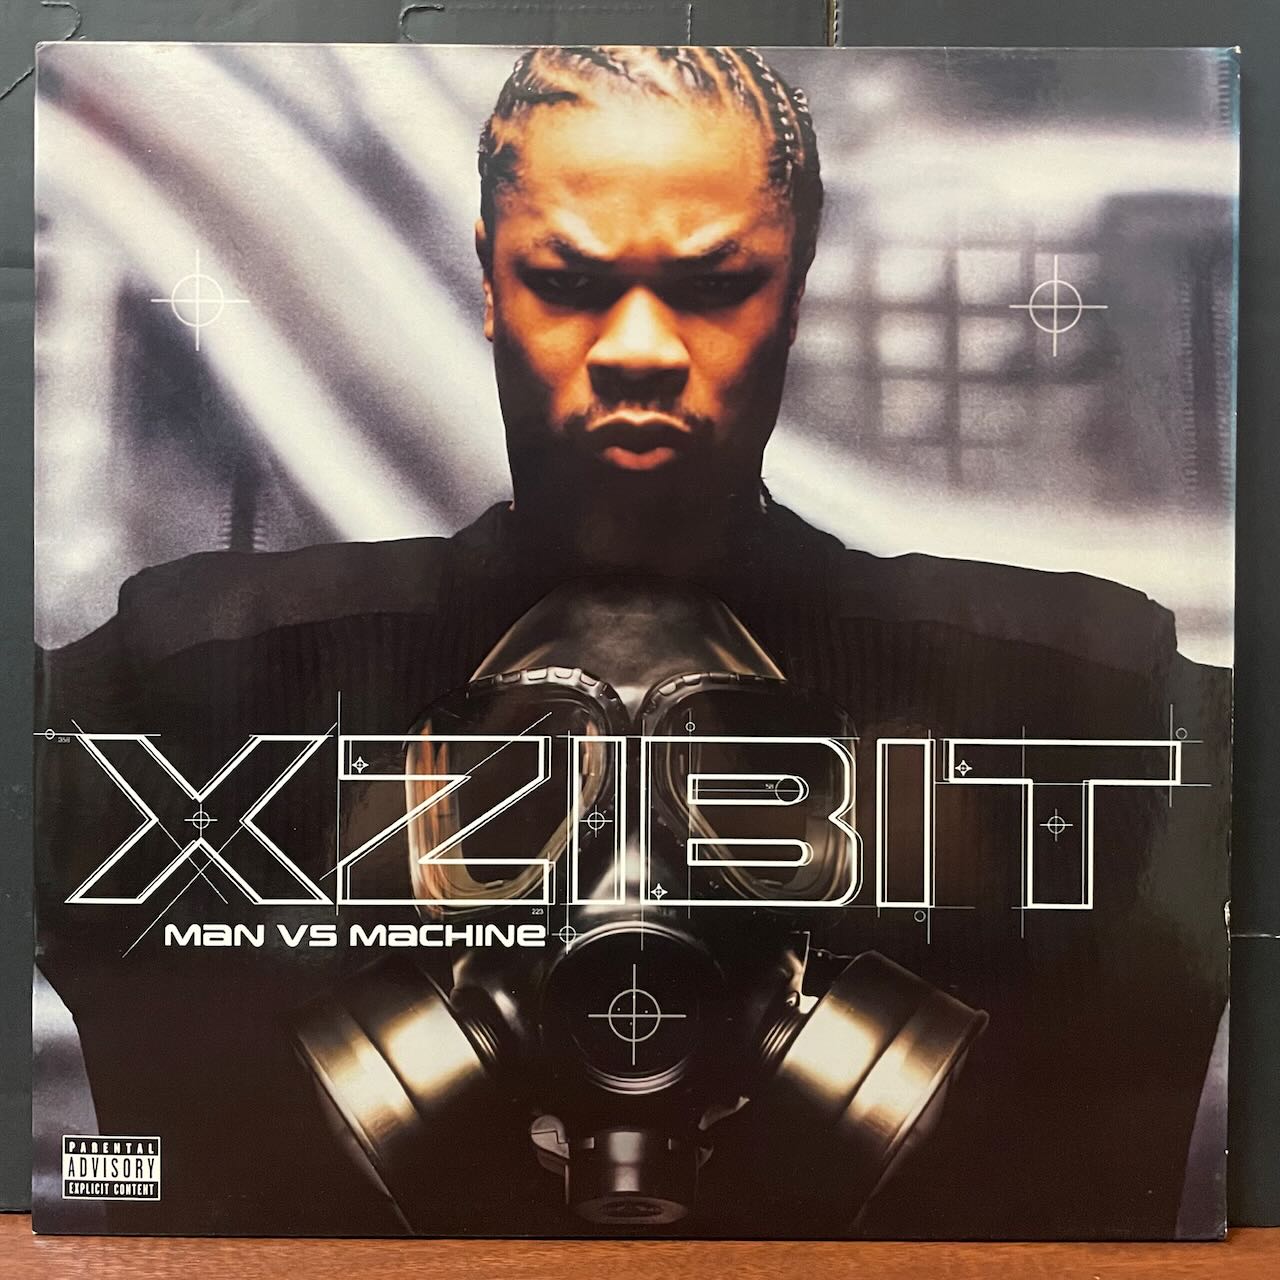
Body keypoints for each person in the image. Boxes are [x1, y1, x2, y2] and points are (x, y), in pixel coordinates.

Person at [35, 47, 1228, 1238]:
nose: (640, 346)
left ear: (795, 286)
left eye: (714, 284)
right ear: (488, 277)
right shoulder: (193, 678)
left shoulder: (1078, 689)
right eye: (568, 279)